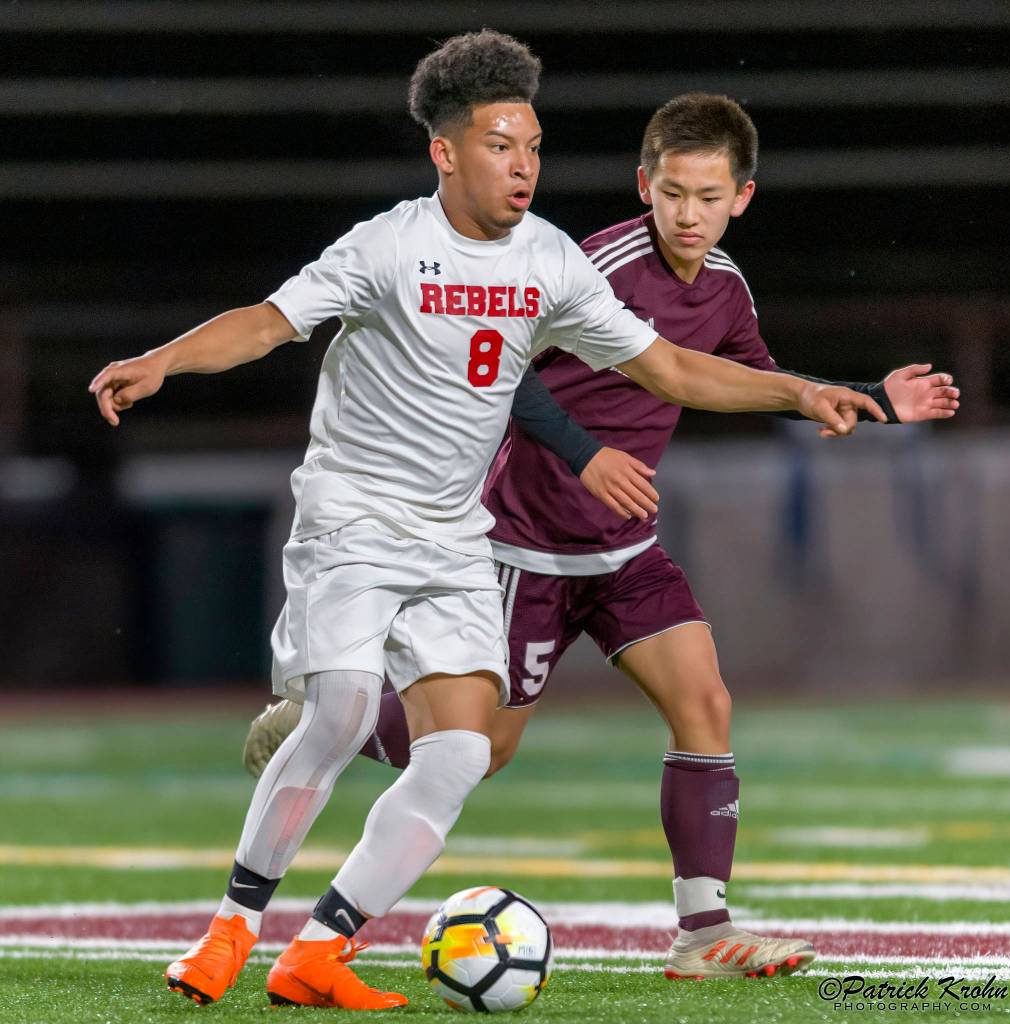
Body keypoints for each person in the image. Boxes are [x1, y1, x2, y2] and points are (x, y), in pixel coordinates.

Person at [91, 32, 887, 1009]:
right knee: (341, 712)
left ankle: (319, 951)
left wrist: (802, 393)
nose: (524, 166)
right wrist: (164, 359)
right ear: (446, 152)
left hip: (454, 536)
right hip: (353, 518)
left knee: (467, 752)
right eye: (503, 144)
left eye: (534, 147)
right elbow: (266, 320)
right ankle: (231, 930)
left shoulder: (549, 260)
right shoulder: (385, 246)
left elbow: (671, 368)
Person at [245, 91, 959, 982]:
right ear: (643, 185)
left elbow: (741, 380)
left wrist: (861, 399)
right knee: (483, 749)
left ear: (742, 196)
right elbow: (499, 365)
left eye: (707, 196)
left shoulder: (729, 286)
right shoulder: (595, 265)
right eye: (671, 193)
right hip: (522, 547)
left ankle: (702, 934)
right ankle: (330, 729)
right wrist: (584, 456)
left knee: (704, 702)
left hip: (623, 551)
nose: (687, 214)